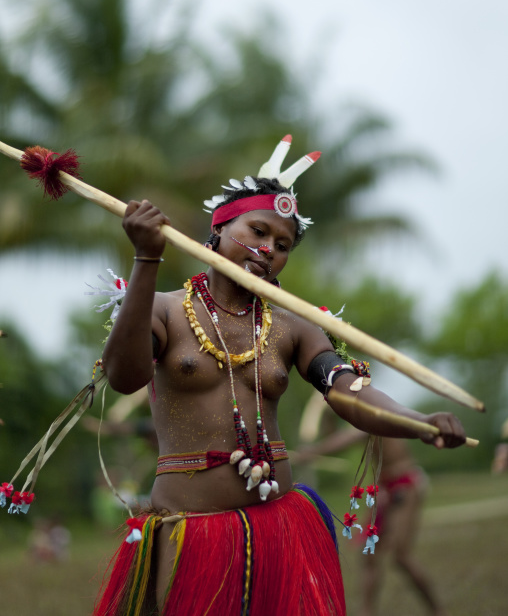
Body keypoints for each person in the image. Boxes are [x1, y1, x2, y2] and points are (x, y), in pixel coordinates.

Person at [94, 137, 466, 616]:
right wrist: (146, 260)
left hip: (281, 528)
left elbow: (348, 391)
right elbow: (123, 378)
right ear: (220, 228)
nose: (269, 248)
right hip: (191, 532)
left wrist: (418, 420)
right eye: (258, 230)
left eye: (283, 244)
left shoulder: (291, 323)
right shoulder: (165, 309)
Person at [297, 429, 449, 616]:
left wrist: (313, 451)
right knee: (369, 554)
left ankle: (437, 610)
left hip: (404, 484)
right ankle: (366, 611)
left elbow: (350, 436)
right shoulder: (363, 411)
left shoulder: (371, 410)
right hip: (386, 488)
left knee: (401, 556)